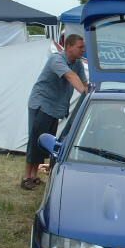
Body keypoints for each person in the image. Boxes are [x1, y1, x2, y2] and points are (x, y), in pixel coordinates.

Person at [21, 34, 88, 190]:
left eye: (83, 47)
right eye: (80, 47)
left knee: (45, 142)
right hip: (42, 104)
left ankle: (35, 176)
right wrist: (86, 92)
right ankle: (27, 177)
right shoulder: (56, 59)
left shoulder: (77, 63)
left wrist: (90, 89)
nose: (83, 50)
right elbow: (71, 77)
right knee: (35, 139)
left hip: (55, 108)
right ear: (69, 46)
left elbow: (84, 82)